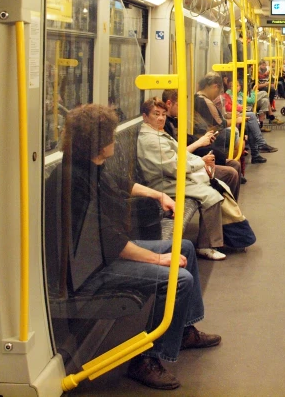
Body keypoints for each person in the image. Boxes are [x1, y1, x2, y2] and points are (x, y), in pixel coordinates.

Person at [62, 104, 220, 390]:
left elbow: (122, 184)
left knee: (182, 247)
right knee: (178, 277)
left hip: (104, 255)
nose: (114, 139)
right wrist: (159, 260)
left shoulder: (89, 164)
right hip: (91, 270)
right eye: (110, 134)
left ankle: (183, 330)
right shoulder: (75, 180)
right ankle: (147, 358)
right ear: (100, 142)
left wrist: (159, 194)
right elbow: (113, 243)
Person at [137, 98, 229, 261]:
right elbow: (173, 166)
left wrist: (199, 162)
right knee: (211, 196)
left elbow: (181, 156)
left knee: (218, 183)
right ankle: (206, 246)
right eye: (156, 114)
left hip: (172, 177)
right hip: (164, 183)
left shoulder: (157, 132)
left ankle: (221, 232)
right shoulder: (150, 139)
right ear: (145, 116)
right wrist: (200, 163)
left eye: (163, 114)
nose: (161, 118)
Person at [161, 89, 242, 199]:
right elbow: (178, 153)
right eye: (179, 105)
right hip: (190, 160)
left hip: (193, 156)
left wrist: (204, 139)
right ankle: (226, 208)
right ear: (169, 104)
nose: (182, 109)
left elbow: (186, 138)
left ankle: (231, 208)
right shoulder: (165, 126)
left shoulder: (175, 120)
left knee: (235, 164)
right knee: (231, 173)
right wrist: (199, 142)